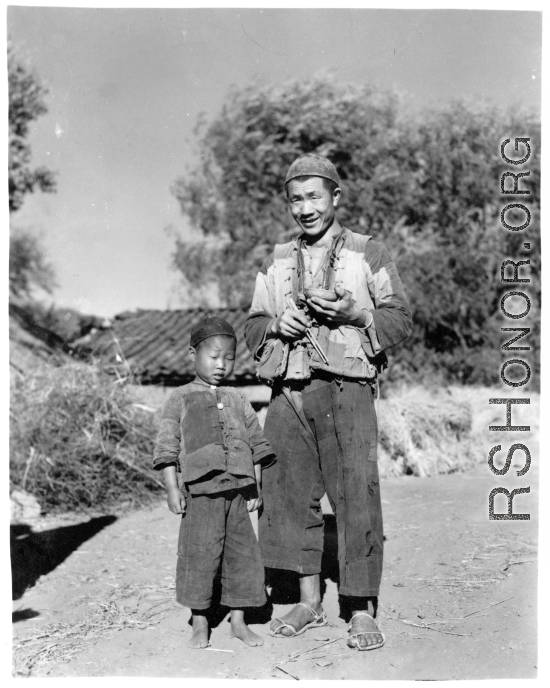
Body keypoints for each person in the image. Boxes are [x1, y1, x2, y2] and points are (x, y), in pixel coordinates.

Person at [244, 153, 412, 650]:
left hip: (349, 390)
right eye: (296, 199)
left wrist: (357, 313)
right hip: (287, 393)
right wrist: (277, 324)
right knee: (287, 496)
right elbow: (253, 324)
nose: (306, 208)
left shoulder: (369, 253)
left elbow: (400, 318)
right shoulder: (274, 259)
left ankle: (360, 608)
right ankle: (308, 601)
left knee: (356, 496)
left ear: (335, 197)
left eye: (315, 196)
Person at [153, 315, 275, 649]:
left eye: (229, 358)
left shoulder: (239, 399)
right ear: (193, 355)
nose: (221, 365)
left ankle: (238, 621)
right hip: (201, 496)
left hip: (237, 496)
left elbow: (257, 445)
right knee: (200, 556)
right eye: (214, 356)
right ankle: (200, 622)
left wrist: (255, 486)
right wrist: (172, 488)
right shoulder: (180, 398)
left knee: (242, 557)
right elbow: (167, 447)